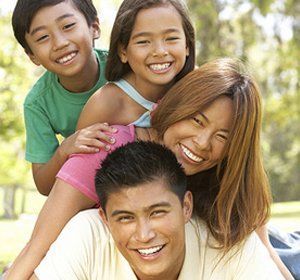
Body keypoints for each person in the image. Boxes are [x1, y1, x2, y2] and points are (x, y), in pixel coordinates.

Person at [4, 58, 289, 279]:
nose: (202, 143)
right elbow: (36, 248)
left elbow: (263, 248)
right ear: (176, 106)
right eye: (197, 121)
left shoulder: (229, 173)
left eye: (222, 137)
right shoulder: (104, 148)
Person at [31, 141, 283, 279]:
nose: (144, 234)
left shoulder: (229, 241)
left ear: (186, 206)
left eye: (157, 212)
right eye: (126, 218)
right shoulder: (86, 235)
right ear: (105, 219)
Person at [12, 0, 114, 195]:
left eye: (67, 26)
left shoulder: (124, 68)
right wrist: (65, 149)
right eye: (43, 37)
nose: (60, 43)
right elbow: (44, 186)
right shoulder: (37, 103)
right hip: (91, 181)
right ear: (32, 56)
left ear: (94, 27)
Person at [76, 0, 194, 130]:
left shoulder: (196, 89)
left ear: (187, 45)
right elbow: (77, 148)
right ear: (123, 51)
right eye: (143, 41)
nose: (160, 51)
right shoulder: (105, 103)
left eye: (171, 38)